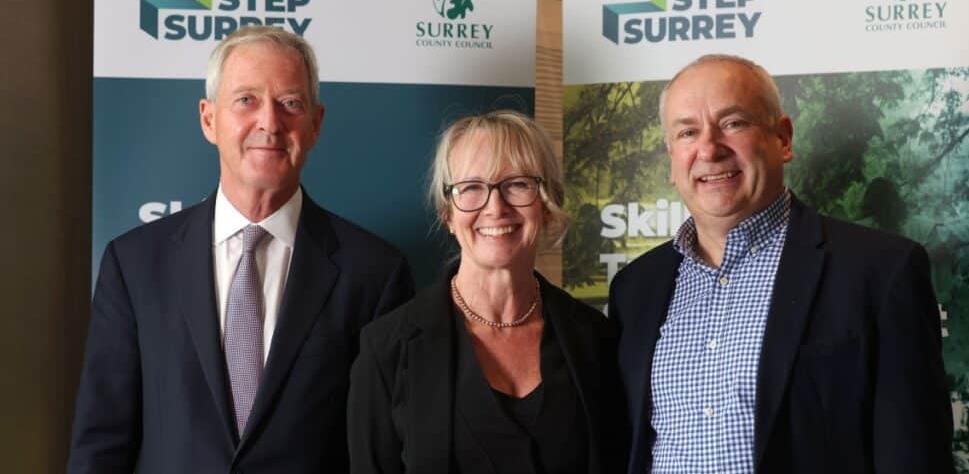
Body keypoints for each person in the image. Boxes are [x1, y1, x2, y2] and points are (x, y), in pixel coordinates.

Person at [67, 26, 414, 474]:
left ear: (315, 123)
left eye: (290, 103)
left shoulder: (375, 275)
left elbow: (382, 454)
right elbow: (101, 445)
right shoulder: (133, 265)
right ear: (209, 119)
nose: (270, 122)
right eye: (246, 100)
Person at [609, 54, 953, 474]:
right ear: (671, 158)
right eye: (687, 132)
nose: (709, 149)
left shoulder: (881, 273)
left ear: (783, 139)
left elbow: (914, 456)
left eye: (733, 123)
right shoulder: (634, 290)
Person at [348, 111, 627, 474]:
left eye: (517, 184)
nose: (495, 208)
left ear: (547, 205)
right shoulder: (387, 349)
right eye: (472, 188)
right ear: (448, 213)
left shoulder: (596, 339)